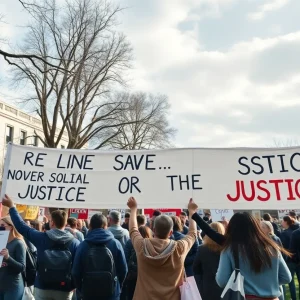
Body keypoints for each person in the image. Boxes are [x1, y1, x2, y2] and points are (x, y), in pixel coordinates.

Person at [192, 211, 291, 299]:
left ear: (231, 228)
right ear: (255, 226)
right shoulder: (272, 247)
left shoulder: (230, 249)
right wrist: (268, 284)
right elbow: (286, 277)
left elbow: (222, 280)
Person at [2, 195, 80, 300]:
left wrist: (12, 207)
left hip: (42, 286)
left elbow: (21, 226)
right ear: (65, 223)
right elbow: (77, 268)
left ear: (51, 222)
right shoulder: (75, 243)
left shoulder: (41, 237)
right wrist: (73, 285)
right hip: (64, 288)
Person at [127, 197, 198, 300]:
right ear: (170, 233)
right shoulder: (179, 248)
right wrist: (192, 211)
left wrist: (133, 209)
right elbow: (192, 234)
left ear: (153, 229)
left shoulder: (142, 245)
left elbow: (133, 230)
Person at [72, 213, 127, 300]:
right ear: (106, 226)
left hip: (88, 293)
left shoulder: (83, 245)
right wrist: (116, 286)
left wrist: (81, 289)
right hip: (111, 293)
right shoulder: (115, 244)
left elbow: (75, 272)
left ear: (90, 226)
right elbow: (124, 270)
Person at [193, 222, 225, 300]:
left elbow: (196, 269)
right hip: (225, 289)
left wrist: (201, 284)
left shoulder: (202, 249)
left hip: (207, 289)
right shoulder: (227, 248)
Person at [0, 216, 26, 300]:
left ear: (11, 227)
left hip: (13, 287)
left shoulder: (18, 243)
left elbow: (22, 267)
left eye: (3, 225)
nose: (0, 228)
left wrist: (8, 257)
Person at [125, 226, 152, 300]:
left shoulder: (130, 242)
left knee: (131, 295)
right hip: (146, 277)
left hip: (132, 276)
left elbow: (126, 258)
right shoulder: (151, 244)